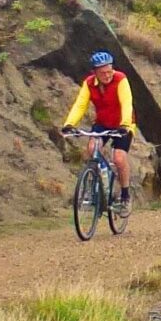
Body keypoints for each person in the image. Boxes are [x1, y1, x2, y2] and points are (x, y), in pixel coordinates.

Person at [61, 51, 142, 208]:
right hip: (103, 123)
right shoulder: (89, 83)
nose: (107, 75)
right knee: (92, 149)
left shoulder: (120, 79)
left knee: (119, 158)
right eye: (103, 73)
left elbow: (127, 103)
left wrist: (125, 125)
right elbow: (80, 105)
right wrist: (69, 124)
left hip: (123, 124)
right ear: (95, 73)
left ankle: (125, 196)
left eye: (109, 71)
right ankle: (101, 182)